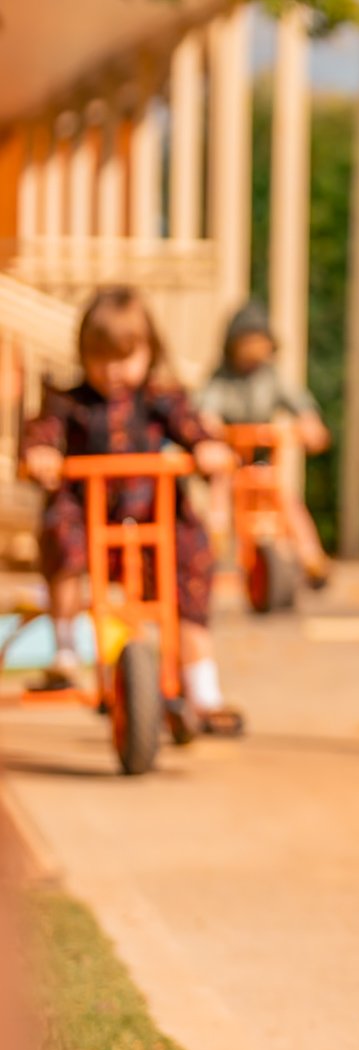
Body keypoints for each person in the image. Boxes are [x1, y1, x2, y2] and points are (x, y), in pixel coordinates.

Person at [20, 287, 244, 734]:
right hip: (89, 518)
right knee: (61, 531)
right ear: (85, 355)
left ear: (149, 351)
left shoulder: (162, 400)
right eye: (101, 358)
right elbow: (43, 431)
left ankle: (203, 691)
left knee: (192, 565)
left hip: (152, 519)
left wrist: (208, 448)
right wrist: (41, 452)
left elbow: (193, 430)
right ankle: (65, 651)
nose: (113, 370)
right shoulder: (71, 403)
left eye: (125, 356)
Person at [194, 302, 331, 588]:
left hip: (262, 460)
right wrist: (209, 428)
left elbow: (299, 401)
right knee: (220, 492)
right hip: (231, 459)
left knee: (285, 498)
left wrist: (309, 423)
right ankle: (213, 546)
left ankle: (311, 556)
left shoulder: (271, 378)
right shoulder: (222, 380)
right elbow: (206, 406)